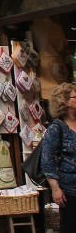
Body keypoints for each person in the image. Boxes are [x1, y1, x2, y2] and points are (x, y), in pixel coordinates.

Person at [43, 82, 76, 232]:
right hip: (70, 190)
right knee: (70, 226)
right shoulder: (57, 128)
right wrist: (55, 188)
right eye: (75, 97)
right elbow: (47, 159)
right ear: (65, 102)